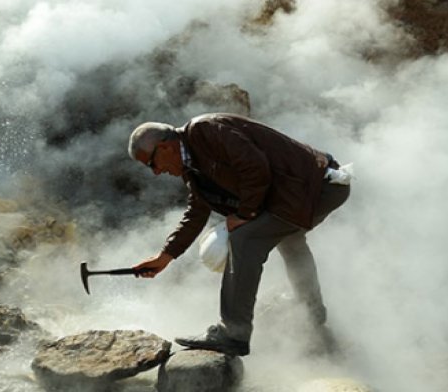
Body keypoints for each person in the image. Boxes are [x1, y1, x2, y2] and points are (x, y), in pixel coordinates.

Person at [129, 113, 350, 356]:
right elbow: (196, 212)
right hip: (298, 194)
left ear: (164, 147)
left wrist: (246, 214)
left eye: (151, 164)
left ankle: (233, 333)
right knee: (290, 240)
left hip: (317, 187)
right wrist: (165, 257)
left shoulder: (205, 131)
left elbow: (255, 166)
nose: (155, 172)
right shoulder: (191, 165)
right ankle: (312, 314)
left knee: (244, 238)